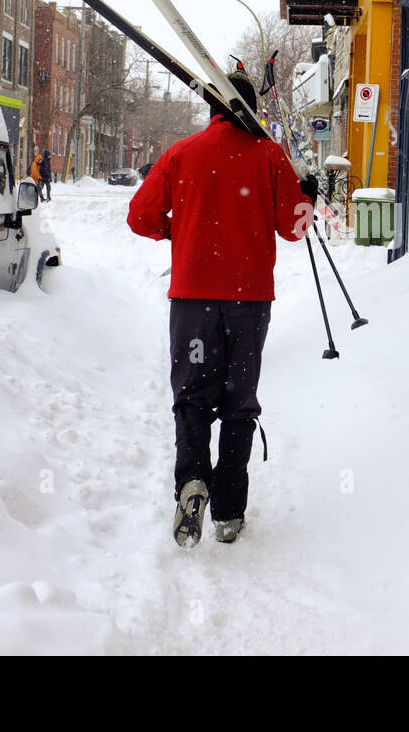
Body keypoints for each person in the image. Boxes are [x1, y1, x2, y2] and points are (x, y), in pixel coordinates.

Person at [127, 73, 318, 547]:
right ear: (252, 109)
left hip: (192, 300)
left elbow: (140, 216)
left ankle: (192, 482)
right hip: (248, 303)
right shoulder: (271, 157)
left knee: (191, 397)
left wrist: (181, 231)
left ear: (211, 108)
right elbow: (294, 229)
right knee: (238, 402)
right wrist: (307, 194)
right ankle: (229, 511)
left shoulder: (181, 153)